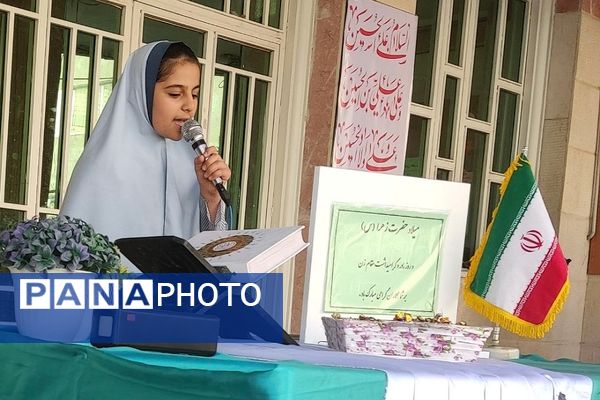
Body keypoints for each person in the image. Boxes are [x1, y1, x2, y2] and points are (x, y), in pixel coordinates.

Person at [60, 41, 231, 241]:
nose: (190, 105)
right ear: (142, 91)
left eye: (194, 94)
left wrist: (211, 198)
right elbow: (70, 251)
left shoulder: (193, 163)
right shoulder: (105, 166)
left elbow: (211, 247)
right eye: (175, 94)